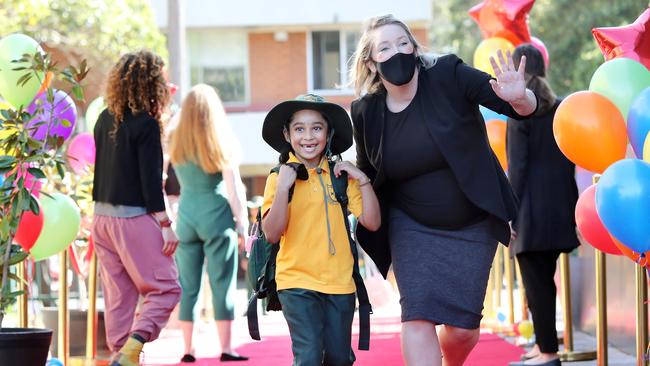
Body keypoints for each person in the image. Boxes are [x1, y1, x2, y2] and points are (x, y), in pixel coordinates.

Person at [349, 15, 538, 366]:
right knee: (417, 313)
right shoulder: (366, 111)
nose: (397, 52)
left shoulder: (449, 75)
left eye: (403, 43)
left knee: (463, 330)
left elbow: (518, 108)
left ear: (416, 48)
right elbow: (369, 170)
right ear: (371, 64)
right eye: (385, 48)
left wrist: (521, 97)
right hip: (410, 226)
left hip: (473, 221)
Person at [261, 94, 381, 365]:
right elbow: (271, 233)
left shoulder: (341, 176)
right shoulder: (277, 178)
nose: (308, 136)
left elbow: (372, 222)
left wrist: (361, 178)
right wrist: (282, 187)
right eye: (299, 129)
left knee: (339, 359)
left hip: (340, 282)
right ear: (287, 134)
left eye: (317, 128)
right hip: (296, 282)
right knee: (310, 356)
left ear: (329, 133)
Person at [92, 50, 181, 366]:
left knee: (119, 295)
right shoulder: (146, 124)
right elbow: (149, 182)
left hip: (101, 219)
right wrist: (165, 223)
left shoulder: (104, 119)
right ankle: (131, 350)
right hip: (133, 218)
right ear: (151, 83)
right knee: (167, 289)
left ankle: (121, 355)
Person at [506, 44, 579, 366]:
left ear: (517, 68)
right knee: (542, 282)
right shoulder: (561, 107)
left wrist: (509, 211)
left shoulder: (520, 108)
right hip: (560, 208)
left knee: (537, 286)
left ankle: (548, 353)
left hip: (530, 213)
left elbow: (517, 166)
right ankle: (542, 346)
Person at [168, 84, 249, 363]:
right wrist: (243, 224)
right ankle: (226, 349)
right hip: (216, 218)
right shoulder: (221, 140)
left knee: (188, 287)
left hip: (186, 219)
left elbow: (161, 181)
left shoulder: (174, 140)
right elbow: (234, 189)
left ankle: (188, 349)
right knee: (222, 284)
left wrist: (169, 215)